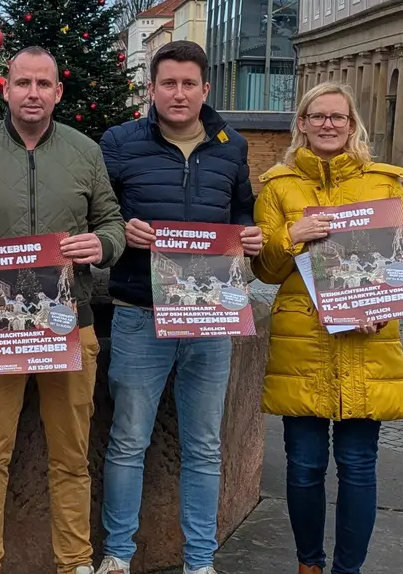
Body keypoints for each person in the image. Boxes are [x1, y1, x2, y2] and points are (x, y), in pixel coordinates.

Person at [0, 46, 126, 574]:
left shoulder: (85, 152)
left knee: (72, 457)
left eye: (43, 84)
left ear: (58, 92)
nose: (32, 93)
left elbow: (113, 223)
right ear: (5, 89)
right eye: (23, 83)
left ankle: (75, 562)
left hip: (68, 324)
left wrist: (101, 246)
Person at [95, 41, 262, 574]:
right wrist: (121, 229)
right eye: (168, 83)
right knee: (127, 440)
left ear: (205, 89)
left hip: (211, 314)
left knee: (205, 446)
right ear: (151, 88)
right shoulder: (119, 143)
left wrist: (250, 239)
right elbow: (95, 213)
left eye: (189, 84)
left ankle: (199, 562)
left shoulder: (231, 147)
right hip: (140, 310)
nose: (179, 93)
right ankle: (118, 555)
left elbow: (242, 211)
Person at [251, 83, 403, 574]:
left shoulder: (383, 183)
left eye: (338, 117)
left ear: (352, 125)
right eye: (318, 116)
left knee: (358, 466)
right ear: (301, 123)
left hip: (368, 339)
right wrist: (290, 236)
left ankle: (349, 569)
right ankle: (309, 563)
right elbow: (265, 269)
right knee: (303, 468)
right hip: (302, 342)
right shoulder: (279, 186)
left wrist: (384, 303)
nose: (328, 124)